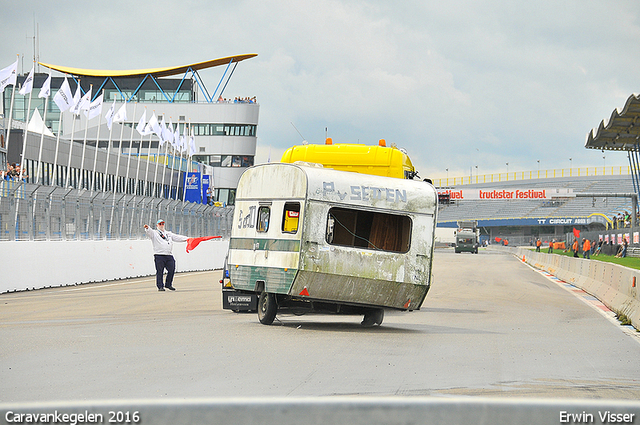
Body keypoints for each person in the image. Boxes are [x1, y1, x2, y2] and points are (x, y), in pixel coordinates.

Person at [144, 219, 189, 291]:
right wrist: (147, 228)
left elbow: (177, 237)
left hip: (168, 255)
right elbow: (150, 232)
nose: (161, 225)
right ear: (157, 225)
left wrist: (187, 239)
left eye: (162, 224)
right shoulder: (155, 233)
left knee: (172, 269)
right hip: (159, 255)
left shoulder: (168, 234)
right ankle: (160, 286)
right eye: (160, 224)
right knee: (160, 271)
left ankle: (168, 284)